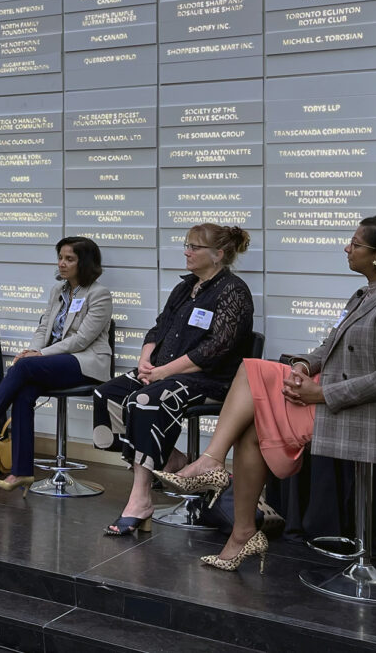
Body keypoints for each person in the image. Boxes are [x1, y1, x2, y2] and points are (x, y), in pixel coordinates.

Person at [155, 215, 376, 572]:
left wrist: (322, 393)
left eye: (356, 244)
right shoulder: (363, 295)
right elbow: (326, 349)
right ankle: (242, 530)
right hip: (333, 404)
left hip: (364, 416)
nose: (347, 248)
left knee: (252, 371)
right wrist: (301, 367)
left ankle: (213, 465)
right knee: (252, 423)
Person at [93, 223, 254, 535]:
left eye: (195, 247)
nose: (187, 252)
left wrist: (164, 372)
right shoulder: (184, 288)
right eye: (187, 245)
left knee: (145, 401)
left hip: (211, 381)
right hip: (164, 374)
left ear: (218, 254)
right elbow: (158, 328)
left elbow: (216, 349)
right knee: (107, 395)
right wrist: (145, 360)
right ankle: (173, 458)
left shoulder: (233, 291)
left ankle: (140, 499)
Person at [0, 237, 113, 495]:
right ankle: (21, 471)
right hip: (56, 360)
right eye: (60, 257)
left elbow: (82, 339)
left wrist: (39, 355)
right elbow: (43, 328)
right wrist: (32, 351)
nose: (62, 263)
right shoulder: (57, 291)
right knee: (24, 393)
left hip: (87, 363)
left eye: (69, 259)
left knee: (24, 369)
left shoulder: (99, 294)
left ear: (85, 263)